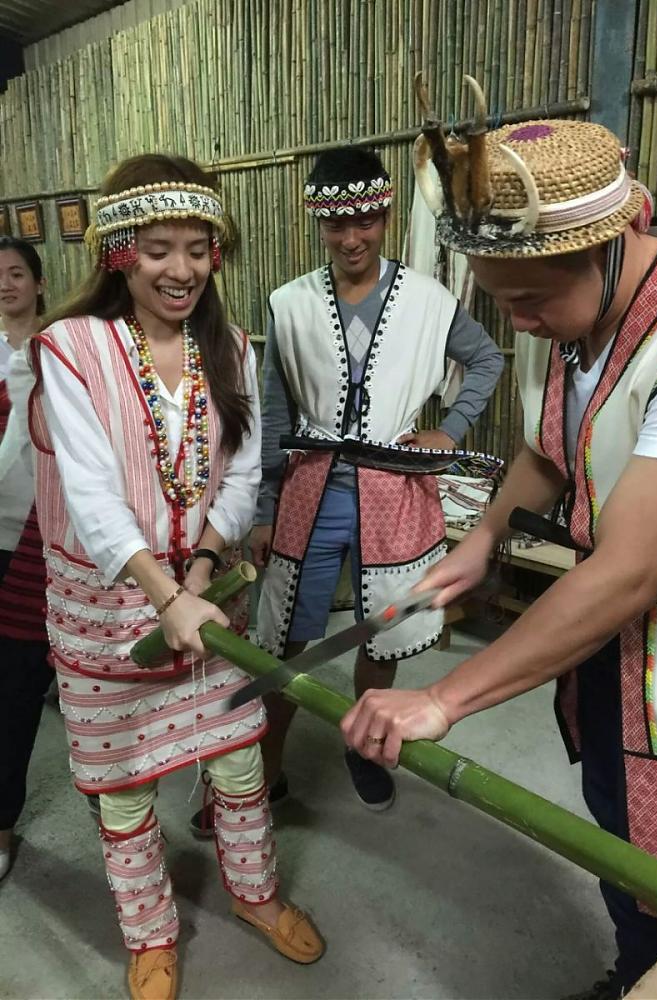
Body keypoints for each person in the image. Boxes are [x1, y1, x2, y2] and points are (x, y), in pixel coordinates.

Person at [341, 111, 657, 999]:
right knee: (617, 824)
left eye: (530, 300)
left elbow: (631, 568)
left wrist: (445, 698)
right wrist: (485, 538)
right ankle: (636, 970)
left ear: (619, 235)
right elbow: (549, 450)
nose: (518, 325)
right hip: (612, 634)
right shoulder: (578, 315)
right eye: (498, 300)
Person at [29, 154, 324, 1000]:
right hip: (106, 608)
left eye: (200, 247)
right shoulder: (71, 347)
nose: (183, 269)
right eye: (159, 248)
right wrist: (167, 597)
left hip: (203, 595)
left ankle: (256, 895)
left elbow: (239, 473)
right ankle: (150, 935)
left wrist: (198, 575)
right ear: (120, 250)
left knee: (236, 765)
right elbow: (89, 491)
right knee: (124, 794)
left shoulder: (228, 345)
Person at [210, 144, 503, 822]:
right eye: (337, 225)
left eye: (365, 221)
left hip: (395, 492)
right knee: (282, 639)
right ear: (319, 225)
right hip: (311, 491)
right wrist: (263, 507)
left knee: (382, 634)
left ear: (385, 215)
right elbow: (277, 410)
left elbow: (484, 359)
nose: (352, 238)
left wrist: (450, 430)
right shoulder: (291, 303)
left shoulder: (428, 301)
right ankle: (264, 774)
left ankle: (366, 748)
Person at [0, 237, 53, 881]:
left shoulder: (62, 345)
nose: (6, 284)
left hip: (48, 535)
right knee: (8, 688)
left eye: (16, 273)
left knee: (22, 681)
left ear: (40, 283)